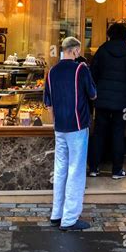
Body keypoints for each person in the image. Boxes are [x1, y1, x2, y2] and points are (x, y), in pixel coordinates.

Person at [44, 36, 97, 231]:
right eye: (79, 51)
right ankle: (70, 219)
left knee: (60, 170)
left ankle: (56, 214)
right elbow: (93, 94)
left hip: (59, 127)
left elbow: (48, 103)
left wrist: (56, 122)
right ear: (75, 51)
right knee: (76, 171)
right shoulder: (81, 69)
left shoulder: (51, 72)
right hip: (77, 126)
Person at [89, 22, 126, 179]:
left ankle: (94, 168)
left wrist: (97, 90)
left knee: (99, 133)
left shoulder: (102, 50)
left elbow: (93, 73)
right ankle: (117, 170)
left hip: (102, 100)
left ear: (109, 34)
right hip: (123, 103)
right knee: (119, 133)